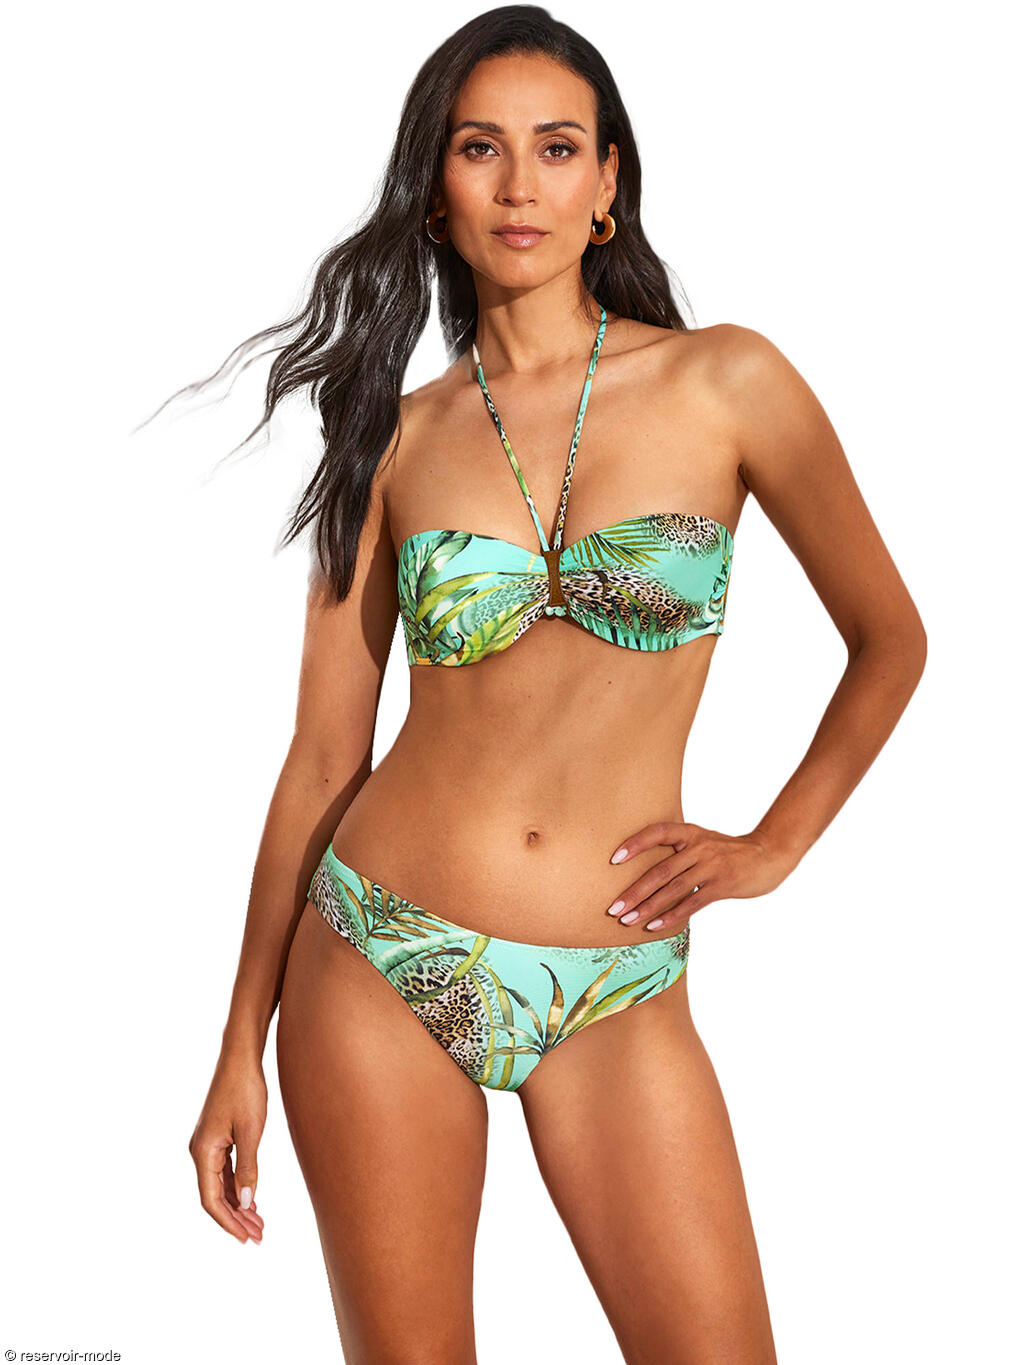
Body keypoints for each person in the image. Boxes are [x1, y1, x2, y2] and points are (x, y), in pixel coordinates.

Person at [185, 7, 927, 1361]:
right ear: (435, 190)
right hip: (378, 955)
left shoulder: (728, 381)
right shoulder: (392, 439)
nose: (520, 184)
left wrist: (775, 845)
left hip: (618, 979)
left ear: (607, 183)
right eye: (481, 149)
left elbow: (891, 638)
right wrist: (240, 1038)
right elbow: (322, 760)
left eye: (557, 147)